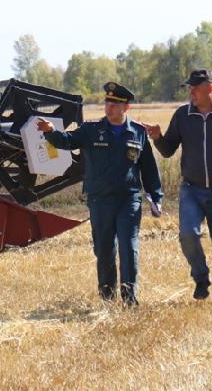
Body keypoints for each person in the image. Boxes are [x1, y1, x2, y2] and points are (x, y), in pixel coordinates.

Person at [37, 82, 163, 306]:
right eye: (107, 102)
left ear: (127, 108)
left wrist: (156, 197)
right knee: (104, 250)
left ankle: (128, 297)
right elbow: (68, 141)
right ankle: (106, 296)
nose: (109, 107)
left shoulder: (138, 133)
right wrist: (50, 132)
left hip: (129, 199)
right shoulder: (91, 130)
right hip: (100, 200)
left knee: (128, 247)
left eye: (115, 103)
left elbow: (149, 169)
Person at [144, 69, 212, 305]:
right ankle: (201, 277)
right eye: (189, 88)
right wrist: (158, 138)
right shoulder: (183, 115)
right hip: (192, 190)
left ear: (210, 88)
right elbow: (168, 150)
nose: (191, 92)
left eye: (195, 87)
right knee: (187, 235)